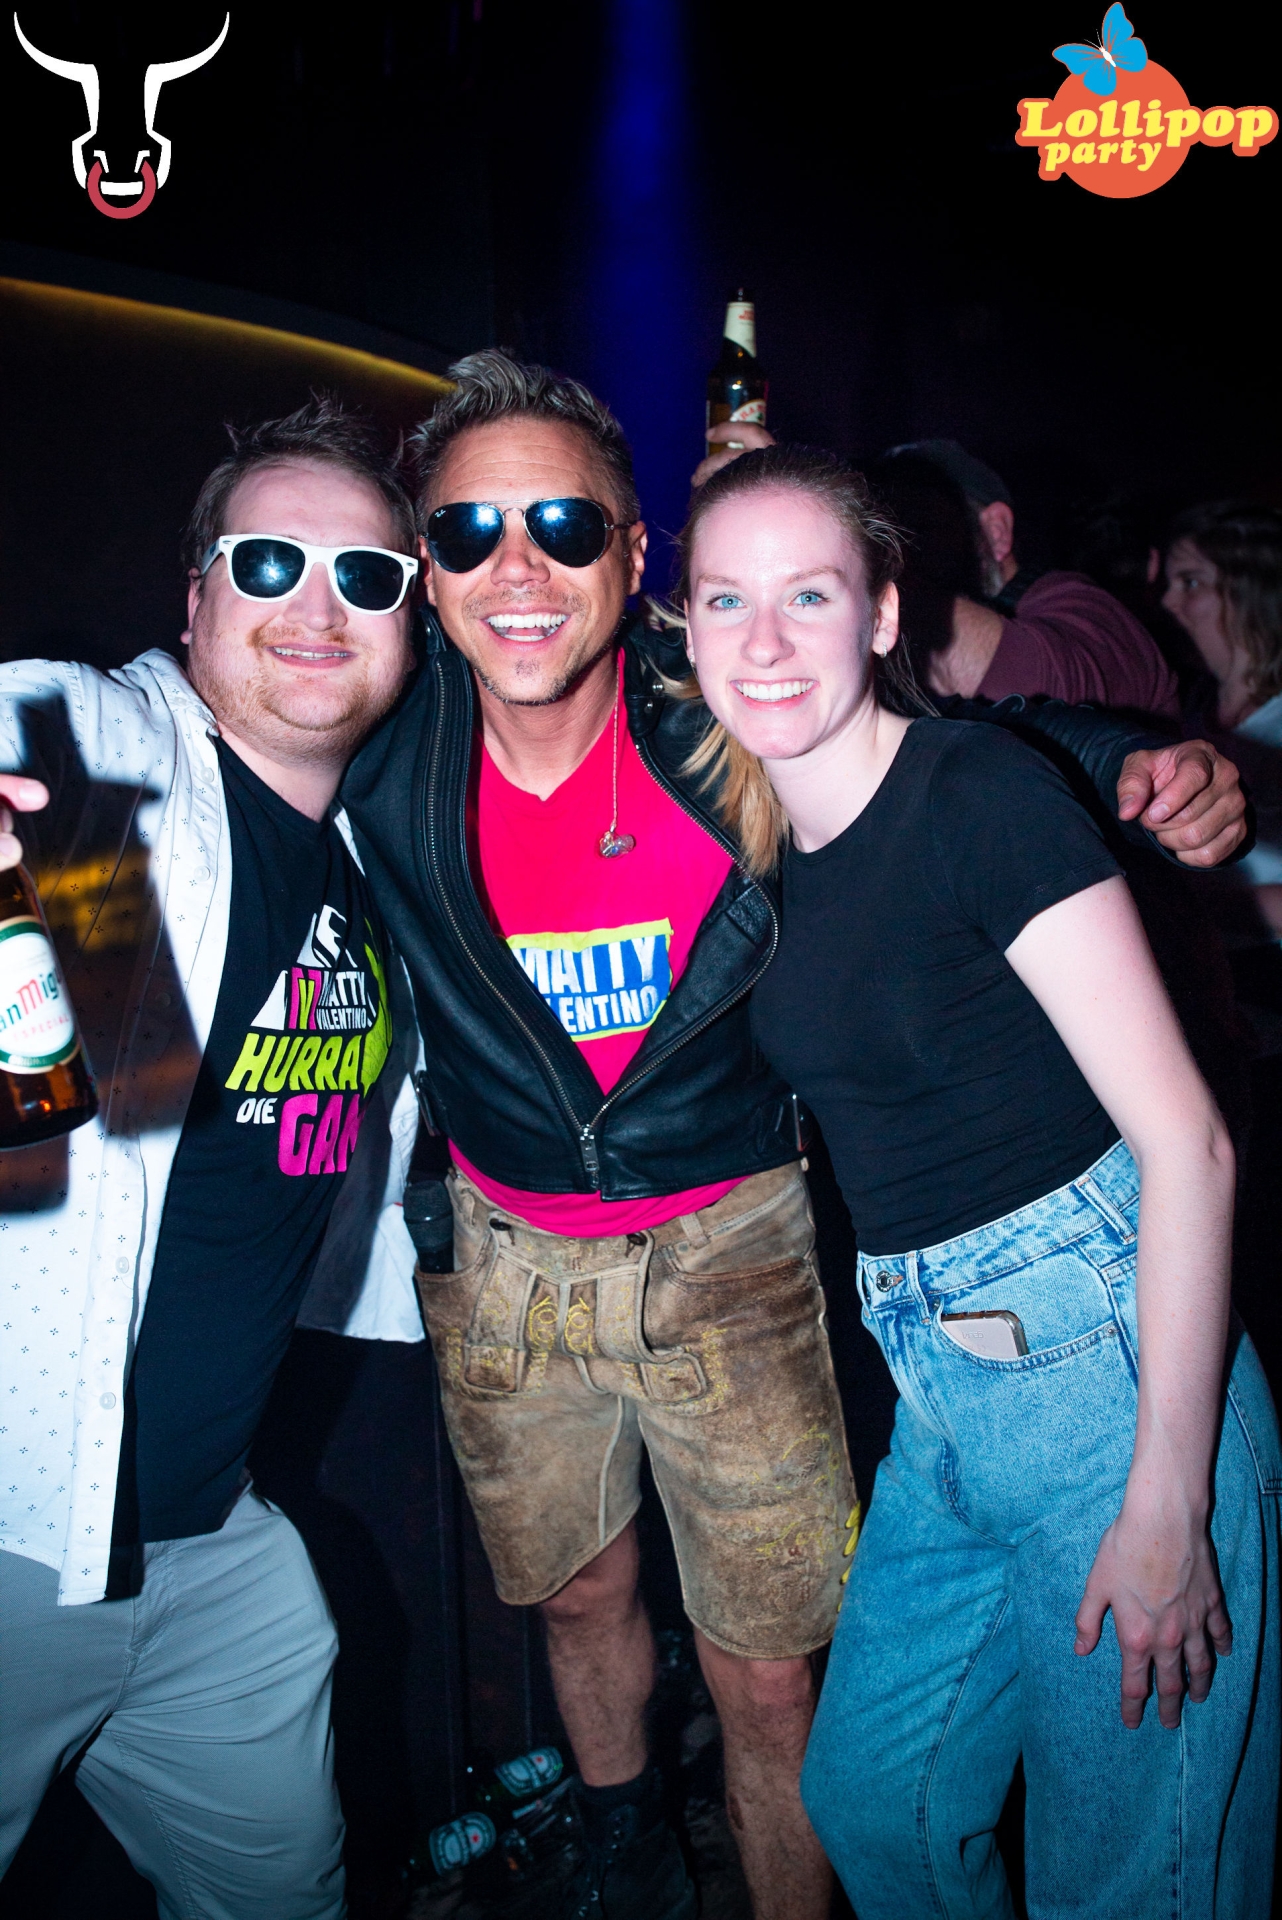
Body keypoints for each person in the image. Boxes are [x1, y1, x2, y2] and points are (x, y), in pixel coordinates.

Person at [339, 350, 1249, 1920]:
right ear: (424, 564)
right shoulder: (385, 741)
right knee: (639, 1638)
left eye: (564, 523)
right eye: (469, 529)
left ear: (632, 560)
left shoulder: (711, 716)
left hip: (770, 1248)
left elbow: (954, 749)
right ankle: (623, 1851)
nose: (518, 568)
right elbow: (223, 713)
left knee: (803, 1698)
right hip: (560, 1262)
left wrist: (1141, 764)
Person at [676, 442, 1280, 1918]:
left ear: (882, 612)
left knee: (1126, 1887)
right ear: (682, 624)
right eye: (726, 599)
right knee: (873, 1805)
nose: (764, 641)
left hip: (1106, 1371)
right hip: (941, 1388)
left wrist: (1166, 1503)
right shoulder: (769, 839)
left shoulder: (972, 794)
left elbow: (1187, 1144)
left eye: (809, 595)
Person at [0, 400, 424, 1920]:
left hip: (207, 1548)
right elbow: (27, 743)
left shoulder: (365, 862)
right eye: (266, 563)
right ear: (194, 600)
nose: (317, 606)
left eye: (365, 576)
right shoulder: (95, 766)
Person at [701, 426, 1180, 713]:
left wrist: (818, 535)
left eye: (912, 523)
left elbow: (1052, 692)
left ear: (995, 530)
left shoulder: (1077, 603)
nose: (893, 544)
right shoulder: (883, 649)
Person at [1163, 500, 1282, 939]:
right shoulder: (1190, 711)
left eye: (1190, 582)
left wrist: (1181, 915)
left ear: (1253, 594)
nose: (1168, 601)